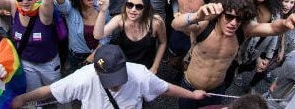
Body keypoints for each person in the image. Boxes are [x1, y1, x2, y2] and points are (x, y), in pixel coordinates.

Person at [171, 0, 295, 107]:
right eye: (229, 16)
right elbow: (175, 24)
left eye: (239, 18)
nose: (233, 23)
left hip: (216, 90)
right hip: (190, 87)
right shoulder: (204, 26)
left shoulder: (243, 30)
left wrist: (286, 22)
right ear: (220, 15)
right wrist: (197, 15)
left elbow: (272, 28)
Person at [11, 45, 207, 109]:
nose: (116, 86)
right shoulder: (83, 78)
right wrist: (23, 99)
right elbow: (50, 90)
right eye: (110, 80)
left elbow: (167, 88)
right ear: (96, 71)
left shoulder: (139, 74)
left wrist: (193, 95)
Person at [94, 0, 167, 74]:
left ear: (146, 8)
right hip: (124, 68)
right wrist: (103, 11)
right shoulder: (120, 20)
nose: (133, 10)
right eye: (129, 5)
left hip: (145, 70)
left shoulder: (156, 22)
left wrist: (155, 66)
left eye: (139, 7)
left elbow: (163, 43)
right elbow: (98, 35)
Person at [54, 0, 110, 72]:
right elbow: (60, 2)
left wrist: (92, 56)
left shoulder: (102, 6)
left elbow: (107, 36)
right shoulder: (70, 8)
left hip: (100, 56)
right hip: (77, 59)